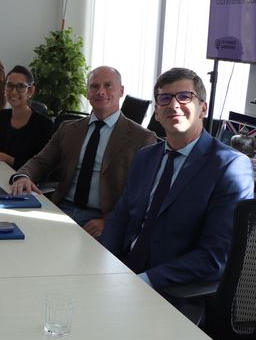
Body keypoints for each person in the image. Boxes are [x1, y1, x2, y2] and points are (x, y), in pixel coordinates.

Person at [100, 68, 254, 290]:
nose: (173, 105)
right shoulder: (145, 157)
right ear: (156, 112)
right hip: (121, 271)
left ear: (203, 108)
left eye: (184, 97)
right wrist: (105, 264)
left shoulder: (229, 166)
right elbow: (120, 219)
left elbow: (215, 256)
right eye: (164, 98)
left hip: (171, 289)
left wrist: (143, 281)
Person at [10, 66, 157, 237]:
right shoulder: (68, 129)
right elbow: (41, 161)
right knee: (21, 237)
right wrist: (23, 177)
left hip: (103, 219)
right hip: (61, 209)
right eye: (94, 86)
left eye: (108, 85)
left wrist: (110, 221)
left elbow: (142, 195)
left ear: (121, 91)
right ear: (87, 93)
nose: (101, 91)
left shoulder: (142, 138)